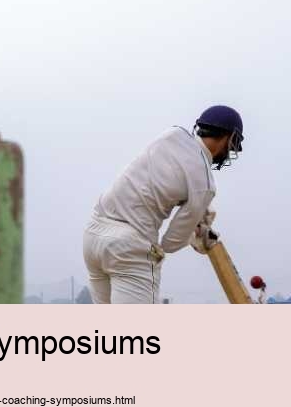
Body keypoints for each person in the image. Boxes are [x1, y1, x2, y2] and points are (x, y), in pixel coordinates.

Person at [83, 106, 244, 304]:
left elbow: (161, 180)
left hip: (94, 236)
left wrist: (188, 204)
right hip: (129, 247)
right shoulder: (205, 183)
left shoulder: (173, 134)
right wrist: (196, 230)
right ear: (228, 138)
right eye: (232, 145)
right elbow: (170, 243)